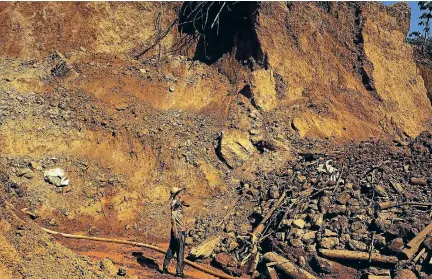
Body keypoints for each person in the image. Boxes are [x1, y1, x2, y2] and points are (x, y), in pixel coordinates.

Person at [161, 186, 190, 277]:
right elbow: (172, 218)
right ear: (176, 194)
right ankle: (179, 272)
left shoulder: (176, 203)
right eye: (180, 192)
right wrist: (175, 230)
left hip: (177, 230)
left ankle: (165, 268)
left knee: (172, 248)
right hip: (179, 230)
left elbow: (186, 204)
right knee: (180, 251)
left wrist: (183, 202)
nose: (181, 193)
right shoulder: (175, 204)